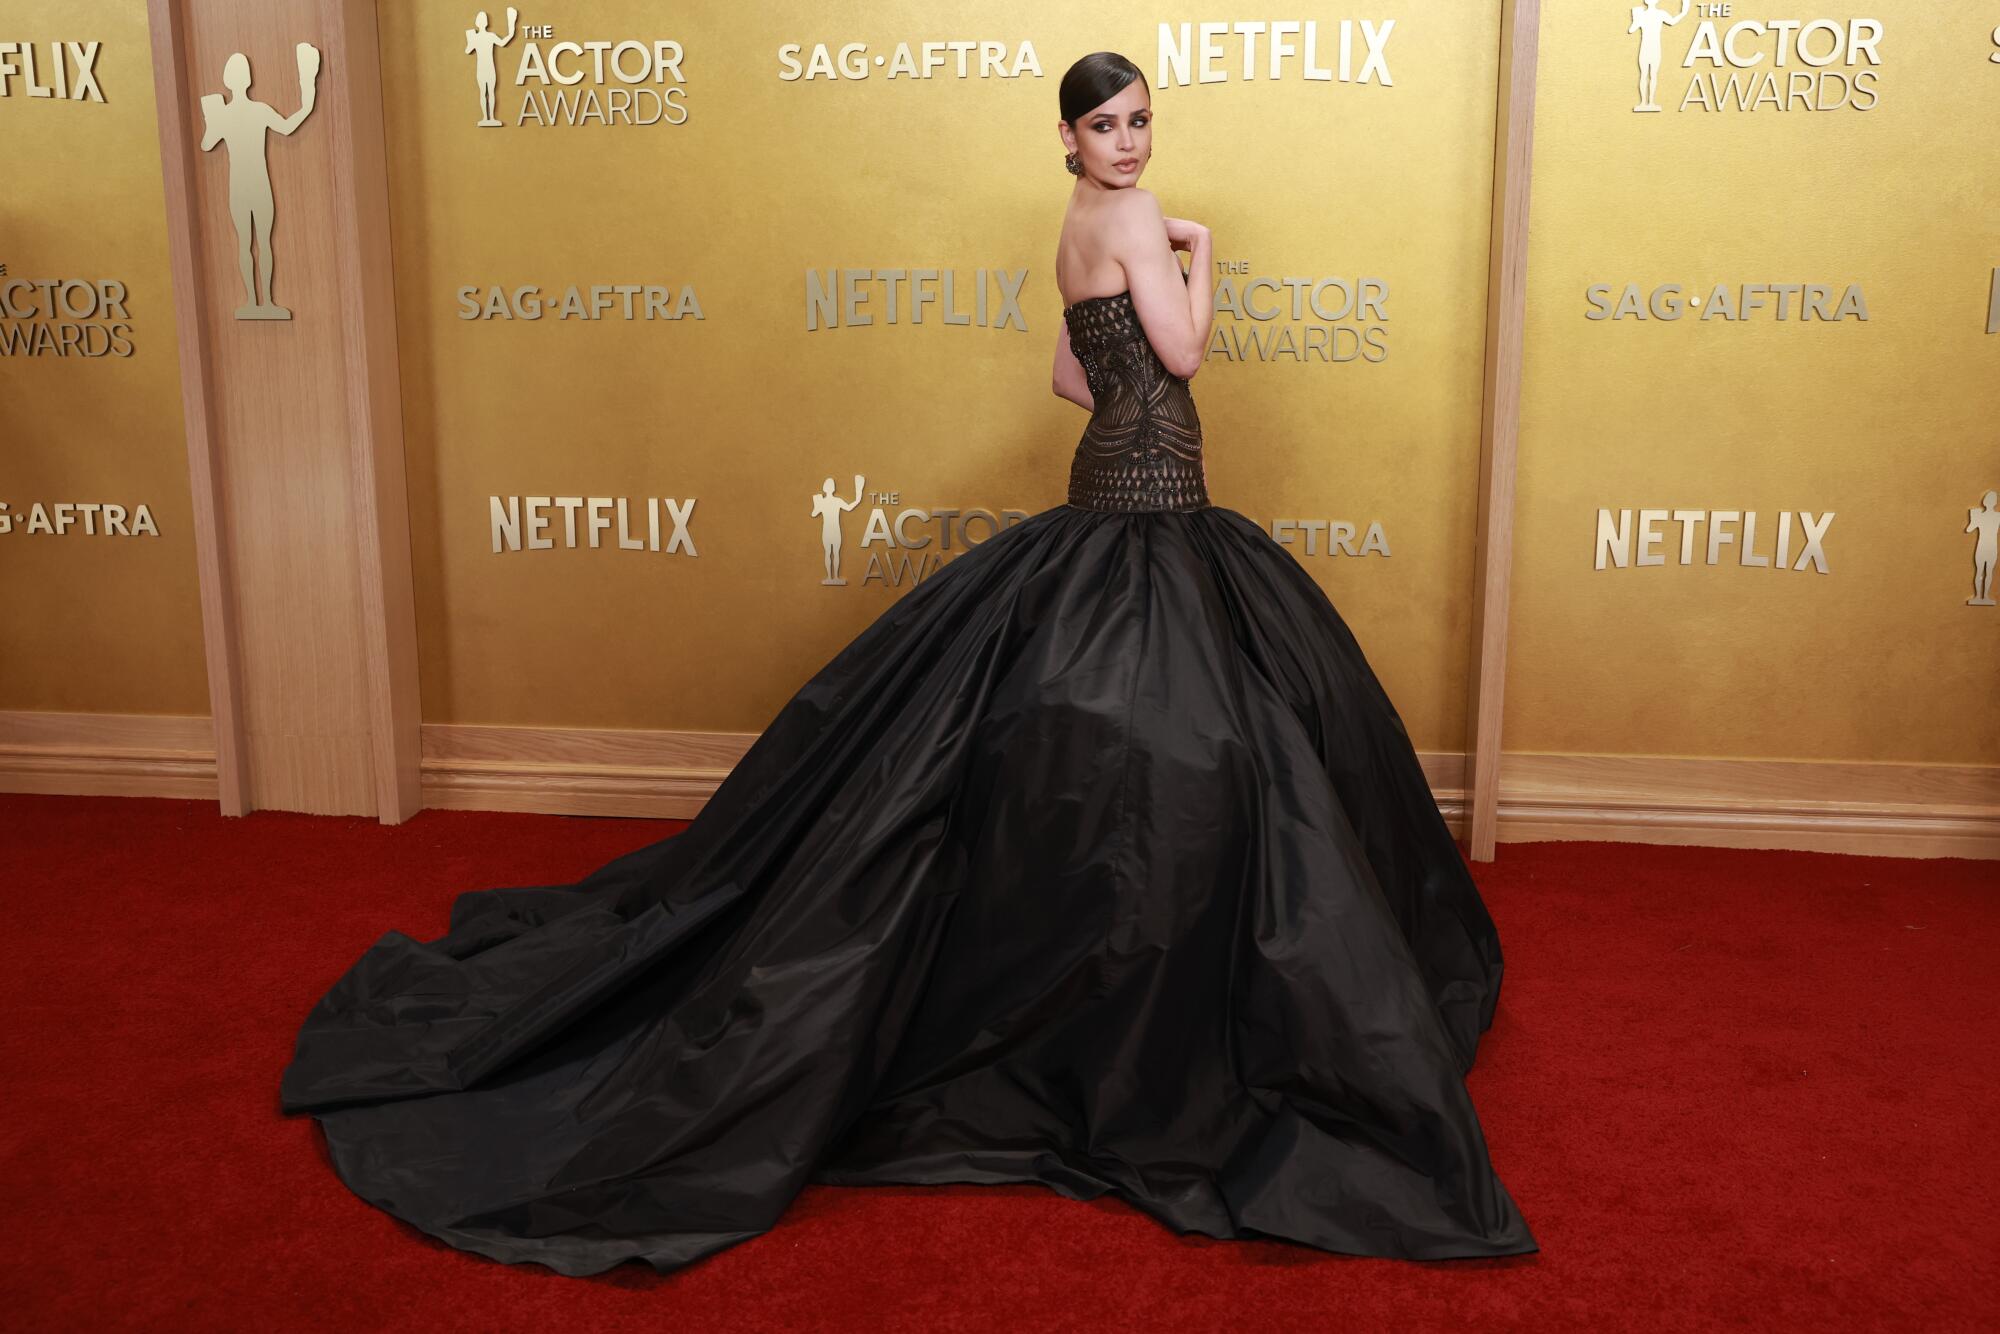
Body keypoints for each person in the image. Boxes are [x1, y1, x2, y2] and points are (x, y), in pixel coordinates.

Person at [280, 50, 1538, 1276]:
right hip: (1149, 505)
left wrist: (1140, 304)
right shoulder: (1141, 218)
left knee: (1125, 742)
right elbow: (1186, 353)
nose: (1131, 144)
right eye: (1106, 128)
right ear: (1067, 139)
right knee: (1198, 745)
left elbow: (1068, 374)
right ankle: (1158, 1007)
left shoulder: (1071, 224)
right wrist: (1200, 256)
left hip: (1109, 486)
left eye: (1141, 122)